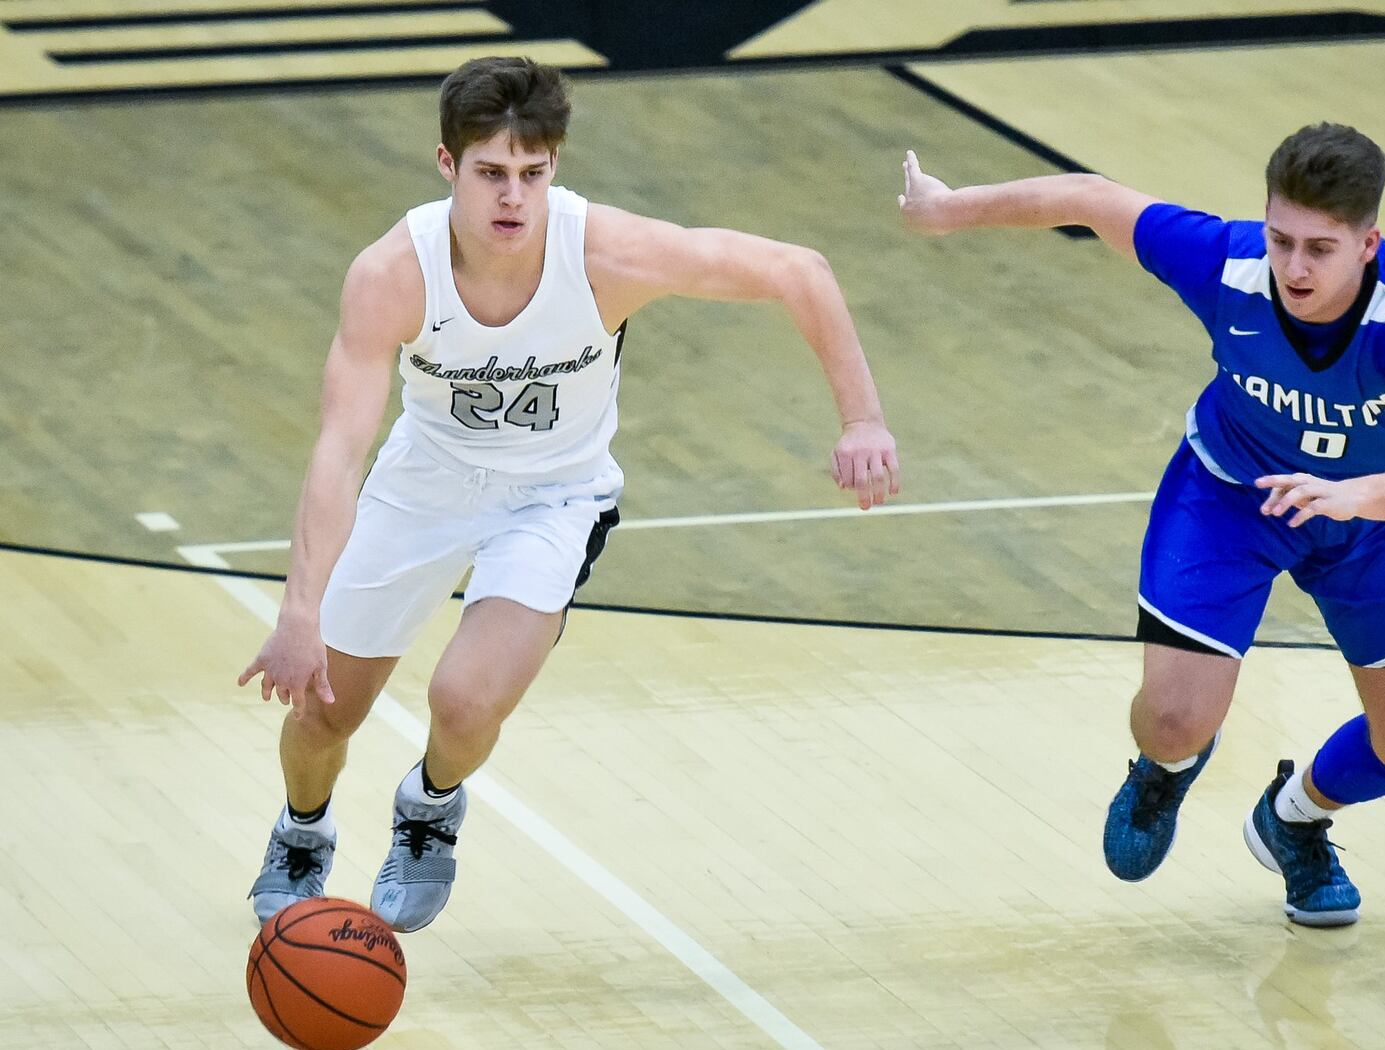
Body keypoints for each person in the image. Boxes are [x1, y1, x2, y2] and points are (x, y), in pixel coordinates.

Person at [239, 55, 900, 932]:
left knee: (466, 700)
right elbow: (338, 451)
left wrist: (863, 420)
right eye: (491, 174)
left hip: (553, 497)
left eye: (533, 173)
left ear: (555, 167)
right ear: (447, 167)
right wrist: (298, 608)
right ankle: (302, 828)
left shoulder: (605, 255)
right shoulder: (393, 274)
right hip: (425, 484)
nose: (512, 197)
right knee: (327, 711)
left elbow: (798, 270)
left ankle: (431, 808)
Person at [898, 124, 1385, 926]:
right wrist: (949, 208)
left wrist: (1357, 495)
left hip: (1365, 519)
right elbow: (1090, 200)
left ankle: (1293, 819)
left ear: (1367, 243)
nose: (1295, 268)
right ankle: (1163, 771)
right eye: (1282, 239)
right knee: (1174, 719)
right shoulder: (1227, 262)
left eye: (1320, 248)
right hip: (1231, 497)